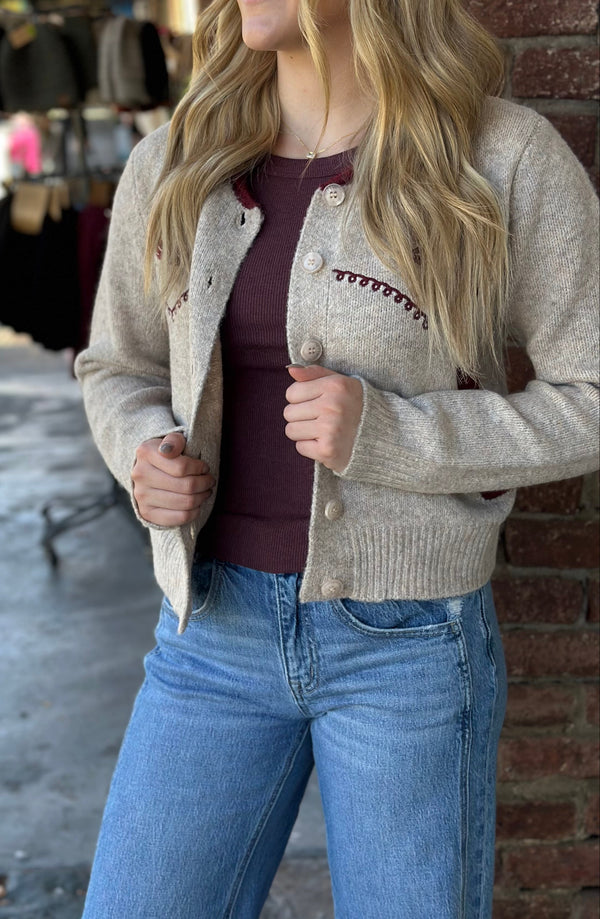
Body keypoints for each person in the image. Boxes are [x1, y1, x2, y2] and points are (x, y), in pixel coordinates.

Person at [75, 0, 599, 916]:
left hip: (412, 647)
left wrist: (395, 435)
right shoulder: (177, 160)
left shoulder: (499, 159)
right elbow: (116, 364)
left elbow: (590, 396)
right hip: (210, 634)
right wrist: (141, 450)